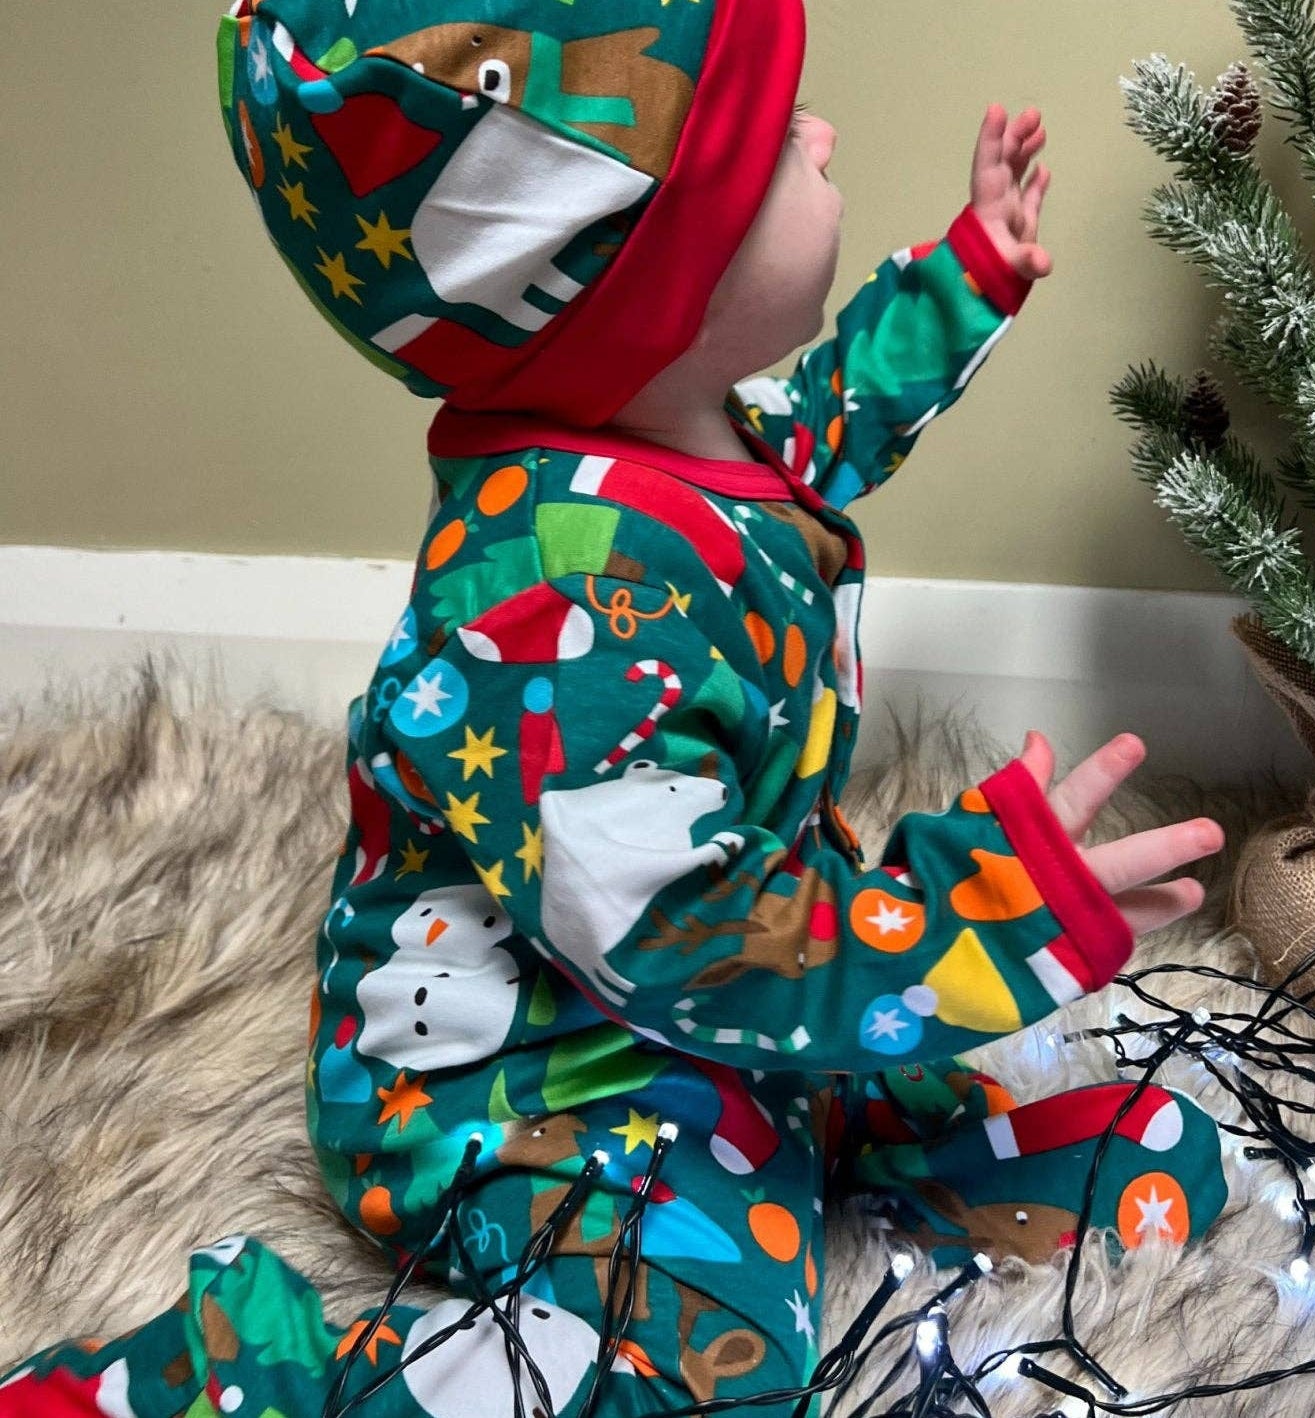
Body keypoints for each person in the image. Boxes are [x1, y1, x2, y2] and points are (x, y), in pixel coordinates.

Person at [0, 2, 1229, 1414]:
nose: (823, 135)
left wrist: (961, 279)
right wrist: (971, 916)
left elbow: (815, 432)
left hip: (707, 999)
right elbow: (694, 944)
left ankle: (828, 1130)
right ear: (652, 285)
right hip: (541, 1084)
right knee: (695, 1374)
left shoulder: (684, 429)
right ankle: (230, 1382)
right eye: (773, 145)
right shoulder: (551, 619)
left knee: (1136, 1147)